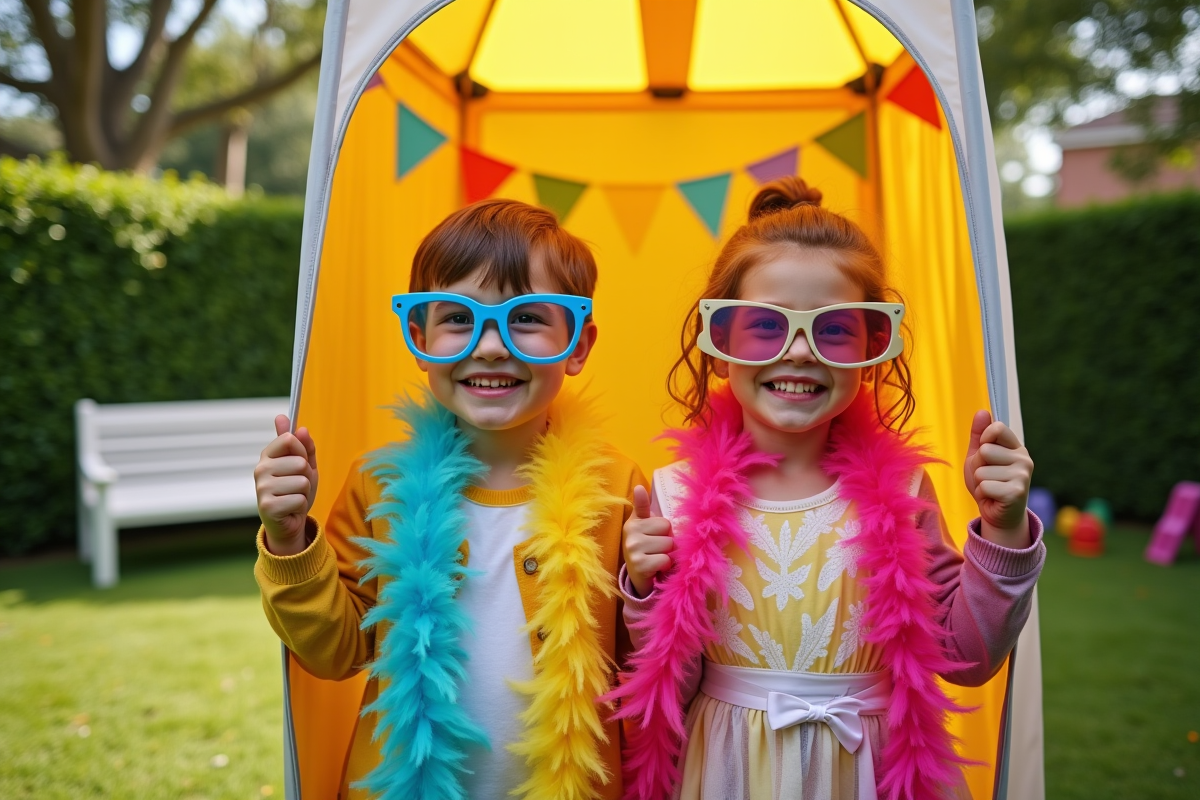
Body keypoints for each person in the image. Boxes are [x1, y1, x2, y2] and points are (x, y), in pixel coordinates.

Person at [610, 178, 1044, 800]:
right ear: (719, 344)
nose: (799, 351)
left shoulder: (902, 488)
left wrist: (1002, 532)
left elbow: (969, 660)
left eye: (835, 329)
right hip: (729, 773)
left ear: (872, 348)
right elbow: (665, 696)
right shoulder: (673, 496)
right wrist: (648, 596)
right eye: (765, 326)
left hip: (869, 772)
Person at [253, 199, 645, 800]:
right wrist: (287, 540)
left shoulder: (618, 490)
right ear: (418, 336)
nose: (490, 347)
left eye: (528, 318)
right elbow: (337, 651)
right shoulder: (378, 486)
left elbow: (644, 664)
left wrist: (648, 586)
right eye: (459, 319)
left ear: (578, 345)